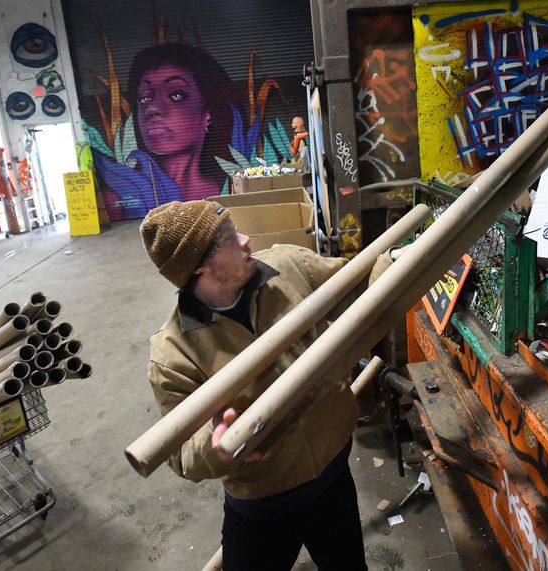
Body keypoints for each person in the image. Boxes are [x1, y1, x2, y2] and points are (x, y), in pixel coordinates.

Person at [140, 200, 400, 570]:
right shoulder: (173, 354)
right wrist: (217, 447)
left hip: (334, 472)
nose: (246, 240)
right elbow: (181, 454)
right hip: (264, 504)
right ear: (199, 267)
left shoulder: (288, 266)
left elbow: (357, 285)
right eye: (230, 239)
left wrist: (392, 261)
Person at [93, 43, 237, 219]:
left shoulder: (230, 190)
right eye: (144, 98)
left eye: (176, 95)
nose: (152, 108)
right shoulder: (117, 198)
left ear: (208, 114)